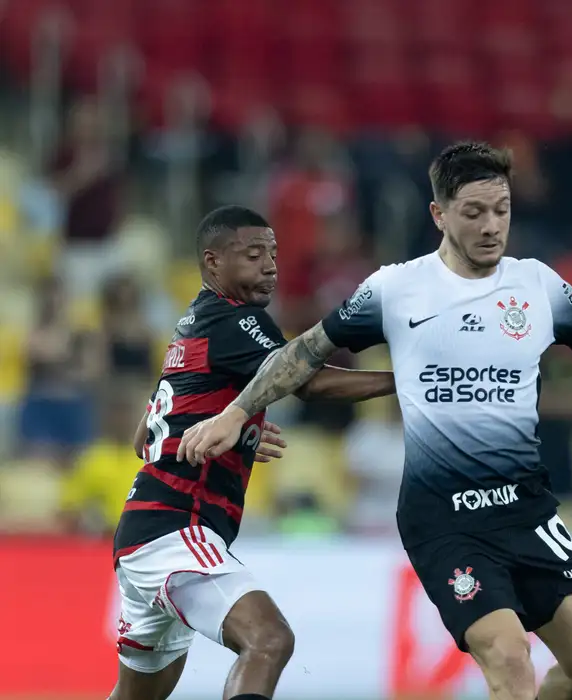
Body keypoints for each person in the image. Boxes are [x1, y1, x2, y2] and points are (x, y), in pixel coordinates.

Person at [177, 142, 572, 700]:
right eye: (473, 211)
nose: (491, 224)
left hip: (527, 509)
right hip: (444, 519)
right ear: (440, 214)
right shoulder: (397, 290)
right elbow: (303, 352)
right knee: (509, 659)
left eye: (501, 209)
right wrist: (238, 410)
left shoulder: (538, 288)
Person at [109, 205, 398, 700]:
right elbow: (307, 383)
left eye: (273, 253)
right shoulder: (236, 320)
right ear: (213, 262)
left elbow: (144, 439)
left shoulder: (192, 325)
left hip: (146, 532)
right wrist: (411, 381)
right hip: (176, 527)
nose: (270, 265)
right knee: (268, 640)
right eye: (253, 254)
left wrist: (232, 429)